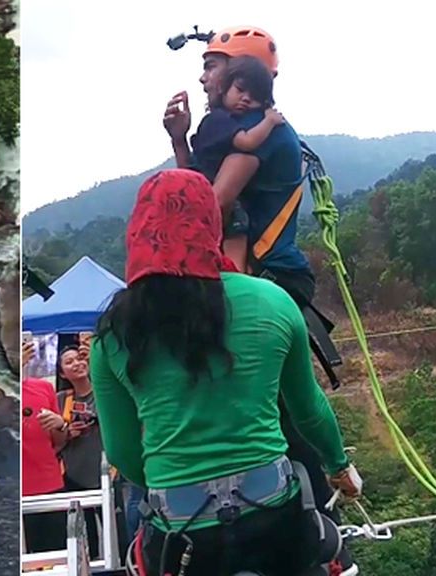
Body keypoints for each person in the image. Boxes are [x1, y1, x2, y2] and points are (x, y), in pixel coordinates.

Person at [90, 169, 362, 576]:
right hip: (276, 520)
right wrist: (339, 466)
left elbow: (124, 451)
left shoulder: (112, 334)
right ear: (211, 225)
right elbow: (309, 410)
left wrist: (178, 481)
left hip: (180, 536)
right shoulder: (272, 301)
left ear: (140, 231)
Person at [161, 26, 355, 575]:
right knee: (269, 409)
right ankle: (297, 535)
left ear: (243, 74)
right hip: (258, 281)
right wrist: (180, 142)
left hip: (266, 281)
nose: (203, 76)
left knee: (274, 412)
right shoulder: (236, 128)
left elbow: (207, 207)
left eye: (212, 65)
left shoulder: (255, 130)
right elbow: (200, 191)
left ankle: (312, 539)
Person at [188, 55, 286, 269]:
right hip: (210, 191)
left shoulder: (219, 120)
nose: (246, 99)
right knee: (237, 229)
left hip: (198, 189)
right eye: (240, 90)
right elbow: (247, 142)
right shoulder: (222, 121)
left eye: (255, 97)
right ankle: (238, 272)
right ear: (226, 86)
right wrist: (270, 121)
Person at [37, 344, 104, 559]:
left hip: (108, 473)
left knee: (118, 534)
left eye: (79, 358)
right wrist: (66, 430)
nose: (76, 364)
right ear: (62, 372)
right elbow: (54, 444)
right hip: (74, 475)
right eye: (69, 362)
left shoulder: (105, 392)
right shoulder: (60, 400)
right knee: (86, 538)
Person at [21, 338, 68, 553]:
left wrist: (60, 425)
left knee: (56, 551)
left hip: (49, 484)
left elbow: (59, 442)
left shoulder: (44, 387)